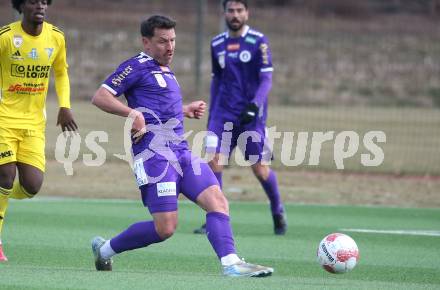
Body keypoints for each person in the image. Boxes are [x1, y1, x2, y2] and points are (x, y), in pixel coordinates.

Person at [90, 15, 273, 277]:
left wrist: (185, 110)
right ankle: (105, 250)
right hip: (154, 157)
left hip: (181, 152)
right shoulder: (136, 66)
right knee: (165, 228)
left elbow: (160, 106)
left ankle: (231, 263)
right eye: (163, 41)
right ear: (146, 42)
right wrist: (133, 115)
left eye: (173, 40)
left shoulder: (166, 69)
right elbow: (101, 96)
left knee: (217, 200)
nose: (170, 47)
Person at [193, 0, 287, 235]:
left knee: (260, 170)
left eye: (239, 10)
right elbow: (217, 80)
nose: (235, 15)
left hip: (250, 116)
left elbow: (266, 79)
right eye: (231, 10)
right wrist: (212, 115)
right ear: (224, 13)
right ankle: (216, 215)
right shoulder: (216, 43)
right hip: (222, 115)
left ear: (247, 13)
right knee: (214, 162)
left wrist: (254, 105)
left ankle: (277, 209)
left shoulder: (258, 41)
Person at [0, 0, 78, 262]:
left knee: (32, 185)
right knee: (5, 176)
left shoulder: (56, 37)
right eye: (33, 1)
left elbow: (61, 73)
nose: (40, 6)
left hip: (34, 124)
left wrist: (64, 106)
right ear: (21, 6)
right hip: (3, 120)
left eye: (44, 1)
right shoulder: (6, 38)